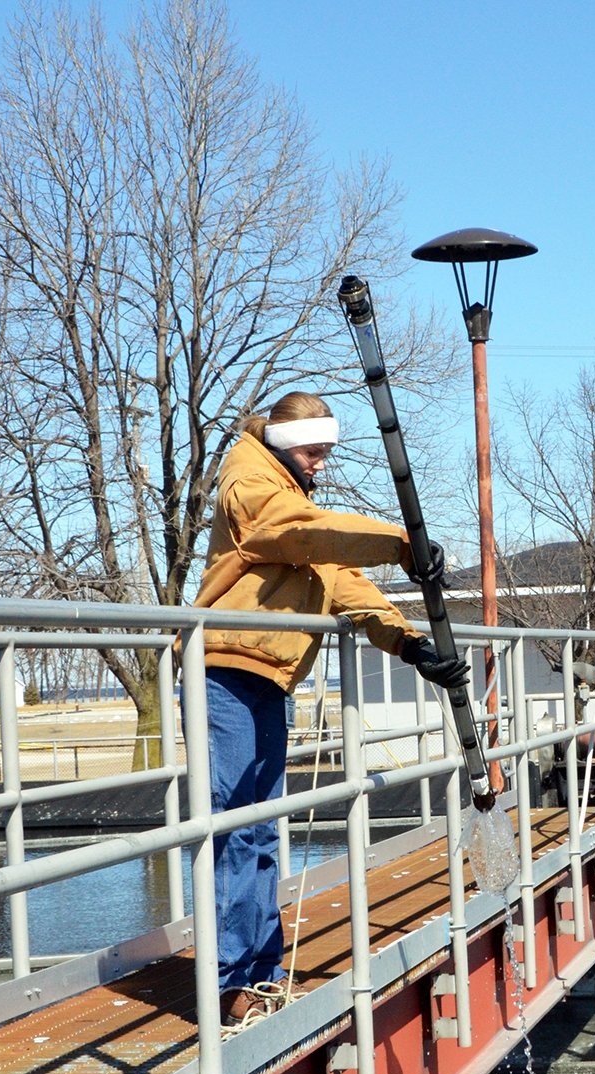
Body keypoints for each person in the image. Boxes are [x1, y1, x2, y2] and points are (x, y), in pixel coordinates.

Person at [191, 390, 468, 1029]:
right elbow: (297, 534)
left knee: (260, 828)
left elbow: (340, 578)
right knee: (237, 825)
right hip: (227, 671)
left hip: (265, 674)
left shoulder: (291, 495)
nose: (322, 464)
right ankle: (234, 984)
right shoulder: (249, 481)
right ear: (289, 443)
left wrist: (407, 641)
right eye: (316, 451)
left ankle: (258, 975)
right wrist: (401, 542)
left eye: (326, 453)